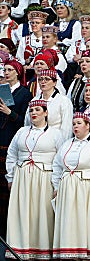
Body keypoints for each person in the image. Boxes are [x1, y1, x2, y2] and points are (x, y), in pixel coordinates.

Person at [5, 100, 63, 259]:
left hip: (44, 179)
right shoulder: (21, 132)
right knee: (22, 212)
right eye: (31, 110)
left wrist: (57, 184)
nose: (33, 113)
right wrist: (11, 177)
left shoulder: (55, 134)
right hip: (23, 178)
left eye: (37, 110)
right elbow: (12, 155)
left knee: (42, 213)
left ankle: (41, 251)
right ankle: (20, 249)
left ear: (46, 113)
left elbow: (60, 160)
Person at [52, 112, 90, 260]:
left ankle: (89, 254)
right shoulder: (67, 144)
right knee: (70, 219)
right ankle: (70, 252)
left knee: (87, 220)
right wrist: (57, 186)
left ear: (87, 125)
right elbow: (57, 165)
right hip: (68, 187)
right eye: (73, 124)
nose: (75, 126)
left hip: (88, 187)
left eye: (79, 123)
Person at [0, 59, 32, 239]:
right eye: (5, 69)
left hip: (12, 139)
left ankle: (7, 229)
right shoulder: (2, 91)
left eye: (10, 70)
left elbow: (24, 121)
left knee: (7, 185)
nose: (6, 72)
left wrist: (9, 112)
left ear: (18, 72)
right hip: (1, 137)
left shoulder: (24, 93)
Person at [25, 69, 73, 140]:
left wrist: (62, 146)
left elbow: (67, 127)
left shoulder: (63, 101)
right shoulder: (34, 100)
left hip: (55, 141)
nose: (43, 82)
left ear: (54, 82)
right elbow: (27, 123)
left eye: (47, 79)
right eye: (40, 79)